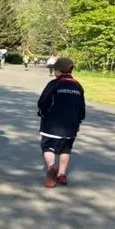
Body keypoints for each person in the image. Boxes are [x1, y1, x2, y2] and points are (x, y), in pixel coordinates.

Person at [37, 58, 86, 188]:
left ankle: (52, 167)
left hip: (52, 124)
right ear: (71, 70)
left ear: (57, 71)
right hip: (71, 126)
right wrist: (79, 121)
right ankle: (62, 174)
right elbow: (81, 107)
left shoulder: (54, 84)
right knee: (66, 149)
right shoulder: (78, 86)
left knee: (48, 147)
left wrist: (42, 113)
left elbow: (43, 102)